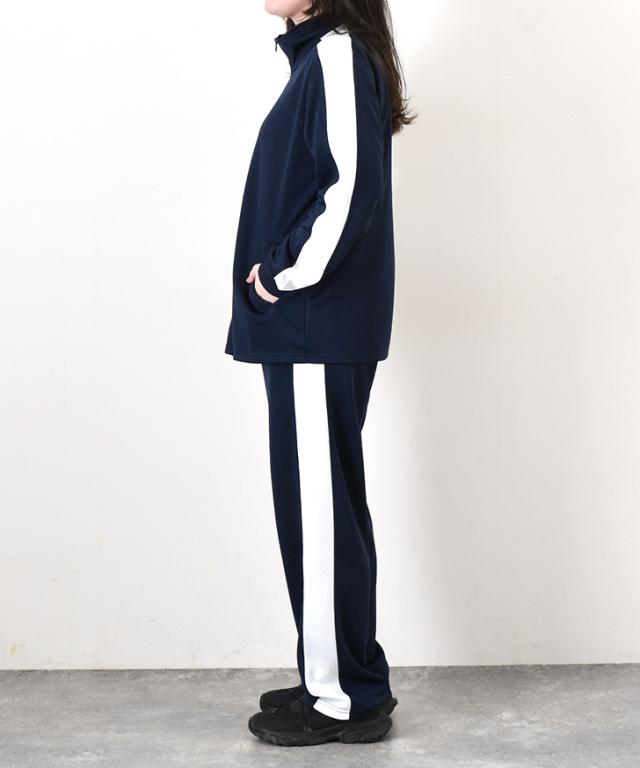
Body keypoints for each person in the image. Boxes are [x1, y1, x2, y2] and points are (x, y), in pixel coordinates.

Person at [224, 0, 415, 747]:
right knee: (325, 507)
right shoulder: (321, 56)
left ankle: (342, 699)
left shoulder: (335, 53)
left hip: (314, 325)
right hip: (314, 327)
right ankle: (341, 673)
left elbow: (349, 189)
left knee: (321, 514)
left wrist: (281, 274)